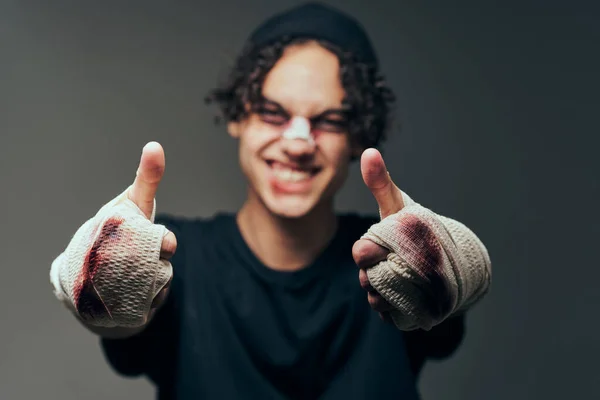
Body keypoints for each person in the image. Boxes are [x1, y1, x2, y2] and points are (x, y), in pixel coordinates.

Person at [50, 3, 491, 399]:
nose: (298, 143)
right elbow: (123, 317)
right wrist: (99, 274)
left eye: (329, 120)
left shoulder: (395, 264)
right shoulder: (169, 255)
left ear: (358, 136)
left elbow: (450, 302)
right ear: (238, 116)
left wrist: (446, 264)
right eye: (273, 113)